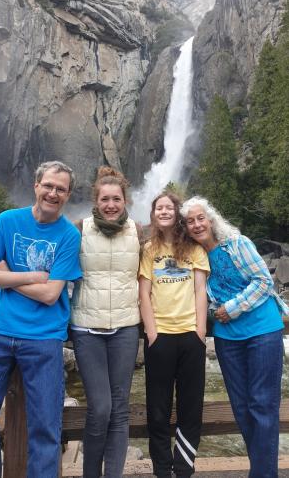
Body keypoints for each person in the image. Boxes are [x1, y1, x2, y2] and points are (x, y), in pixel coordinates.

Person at [181, 196, 289, 478]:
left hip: (263, 330)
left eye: (200, 218)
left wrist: (232, 307)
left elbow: (264, 281)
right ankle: (263, 470)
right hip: (228, 339)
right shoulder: (195, 257)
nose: (196, 224)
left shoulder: (237, 244)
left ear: (211, 219)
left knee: (262, 405)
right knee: (242, 408)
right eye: (190, 221)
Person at [0, 161, 82, 478]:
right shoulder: (6, 221)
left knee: (45, 428)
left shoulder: (69, 235)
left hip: (44, 339)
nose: (53, 193)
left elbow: (51, 294)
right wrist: (32, 275)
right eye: (48, 185)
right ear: (36, 185)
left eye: (61, 189)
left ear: (68, 195)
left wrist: (7, 276)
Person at [70, 166, 141, 478]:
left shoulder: (139, 231)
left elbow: (175, 250)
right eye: (105, 199)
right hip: (87, 328)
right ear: (95, 201)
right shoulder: (78, 228)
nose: (111, 204)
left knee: (120, 408)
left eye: (117, 199)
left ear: (125, 200)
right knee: (100, 408)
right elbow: (51, 255)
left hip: (125, 327)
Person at [139, 192, 209, 478]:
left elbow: (200, 290)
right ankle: (162, 469)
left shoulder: (194, 248)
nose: (164, 211)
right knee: (158, 407)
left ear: (176, 212)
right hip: (161, 337)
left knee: (191, 406)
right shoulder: (149, 248)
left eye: (169, 207)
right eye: (159, 208)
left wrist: (201, 332)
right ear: (154, 214)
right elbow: (144, 291)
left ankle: (183, 468)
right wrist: (152, 333)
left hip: (190, 335)